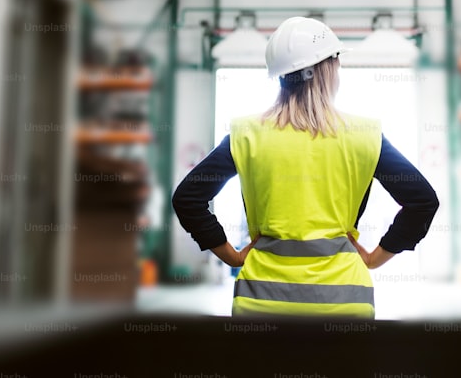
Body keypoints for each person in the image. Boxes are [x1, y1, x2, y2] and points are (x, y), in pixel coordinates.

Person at [172, 16, 439, 317]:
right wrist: (377, 257)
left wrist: (230, 256)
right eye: (336, 60)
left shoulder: (246, 134)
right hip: (345, 305)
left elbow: (188, 198)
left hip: (262, 303)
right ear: (326, 69)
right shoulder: (366, 135)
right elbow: (423, 201)